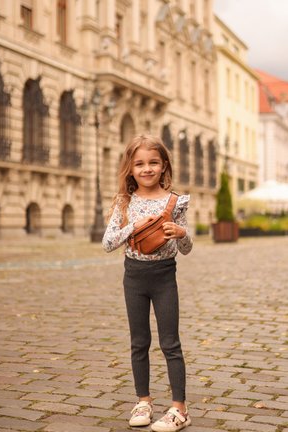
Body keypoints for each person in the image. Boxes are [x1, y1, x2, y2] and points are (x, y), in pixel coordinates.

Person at [102, 134, 193, 432]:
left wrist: (181, 233)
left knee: (171, 343)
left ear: (164, 165)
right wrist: (133, 227)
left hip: (165, 277)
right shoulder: (125, 201)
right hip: (134, 277)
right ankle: (144, 400)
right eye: (139, 163)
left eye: (153, 162)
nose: (147, 169)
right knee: (139, 341)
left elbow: (187, 248)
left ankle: (179, 408)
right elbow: (107, 243)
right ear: (130, 168)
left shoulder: (175, 201)